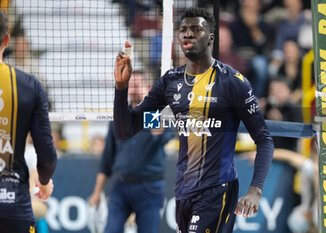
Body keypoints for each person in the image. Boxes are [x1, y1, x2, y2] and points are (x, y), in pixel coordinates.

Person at [114, 7, 274, 232]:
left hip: (218, 190)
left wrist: (255, 190)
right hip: (184, 192)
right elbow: (126, 130)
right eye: (183, 30)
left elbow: (264, 139)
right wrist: (121, 88)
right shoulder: (170, 82)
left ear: (210, 38)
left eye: (195, 29)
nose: (187, 34)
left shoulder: (233, 82)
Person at [89, 71, 173, 233]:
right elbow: (107, 159)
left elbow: (160, 136)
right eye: (130, 86)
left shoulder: (155, 115)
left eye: (136, 85)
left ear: (148, 87)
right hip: (121, 185)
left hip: (149, 187)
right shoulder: (119, 117)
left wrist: (155, 103)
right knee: (111, 230)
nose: (133, 90)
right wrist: (97, 192)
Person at [0, 10, 57, 233]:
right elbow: (46, 151)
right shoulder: (29, 85)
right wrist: (44, 181)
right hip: (12, 201)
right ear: (7, 39)